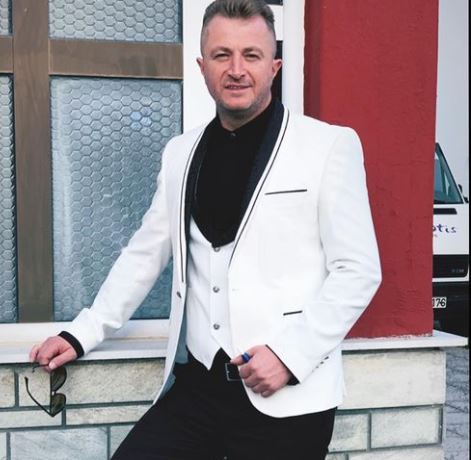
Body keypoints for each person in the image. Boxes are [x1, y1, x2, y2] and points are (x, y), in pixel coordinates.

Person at [30, 1, 381, 458]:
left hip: (287, 395)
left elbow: (358, 270)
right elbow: (145, 253)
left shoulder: (328, 145)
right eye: (222, 55)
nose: (236, 69)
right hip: (199, 385)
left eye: (251, 55)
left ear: (274, 66)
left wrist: (290, 357)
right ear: (202, 66)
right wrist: (83, 333)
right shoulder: (180, 151)